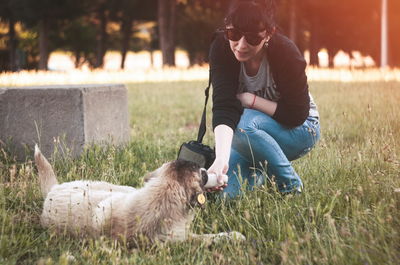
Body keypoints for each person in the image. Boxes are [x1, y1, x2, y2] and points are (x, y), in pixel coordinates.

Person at [207, 0, 320, 198]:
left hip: (300, 130)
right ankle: (260, 168)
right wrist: (221, 160)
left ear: (268, 34)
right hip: (249, 135)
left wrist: (251, 100)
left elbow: (296, 114)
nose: (241, 45)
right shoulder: (222, 48)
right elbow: (224, 107)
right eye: (233, 34)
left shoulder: (286, 53)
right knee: (224, 197)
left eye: (252, 38)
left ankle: (291, 187)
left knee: (242, 124)